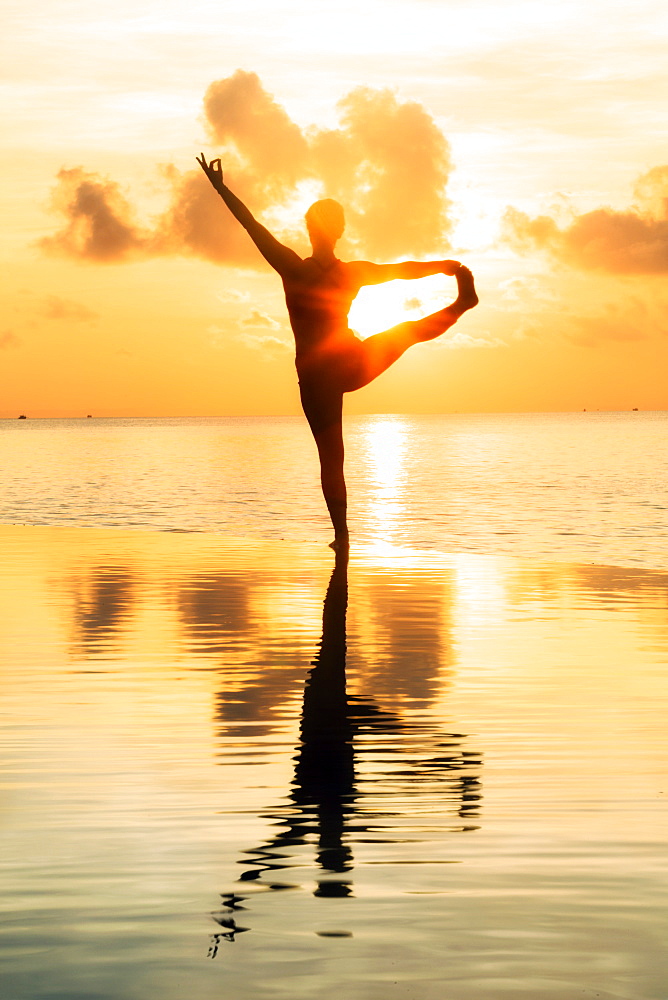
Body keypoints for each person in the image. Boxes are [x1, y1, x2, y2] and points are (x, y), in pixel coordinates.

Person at [197, 155, 478, 549]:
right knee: (404, 334)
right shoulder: (339, 272)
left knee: (333, 457)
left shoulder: (297, 268)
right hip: (343, 366)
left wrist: (441, 266)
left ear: (318, 231)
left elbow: (398, 269)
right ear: (328, 230)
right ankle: (460, 305)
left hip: (324, 374)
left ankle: (342, 539)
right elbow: (253, 225)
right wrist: (443, 266)